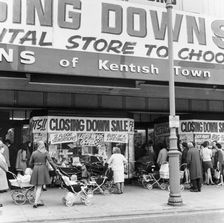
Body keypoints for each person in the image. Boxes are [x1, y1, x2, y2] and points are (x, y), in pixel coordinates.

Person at [29, 141, 57, 208]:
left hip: (35, 168)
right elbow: (50, 161)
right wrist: (55, 167)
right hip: (42, 169)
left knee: (36, 186)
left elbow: (30, 163)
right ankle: (36, 202)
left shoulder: (34, 153)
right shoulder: (45, 152)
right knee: (39, 186)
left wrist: (34, 165)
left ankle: (37, 200)